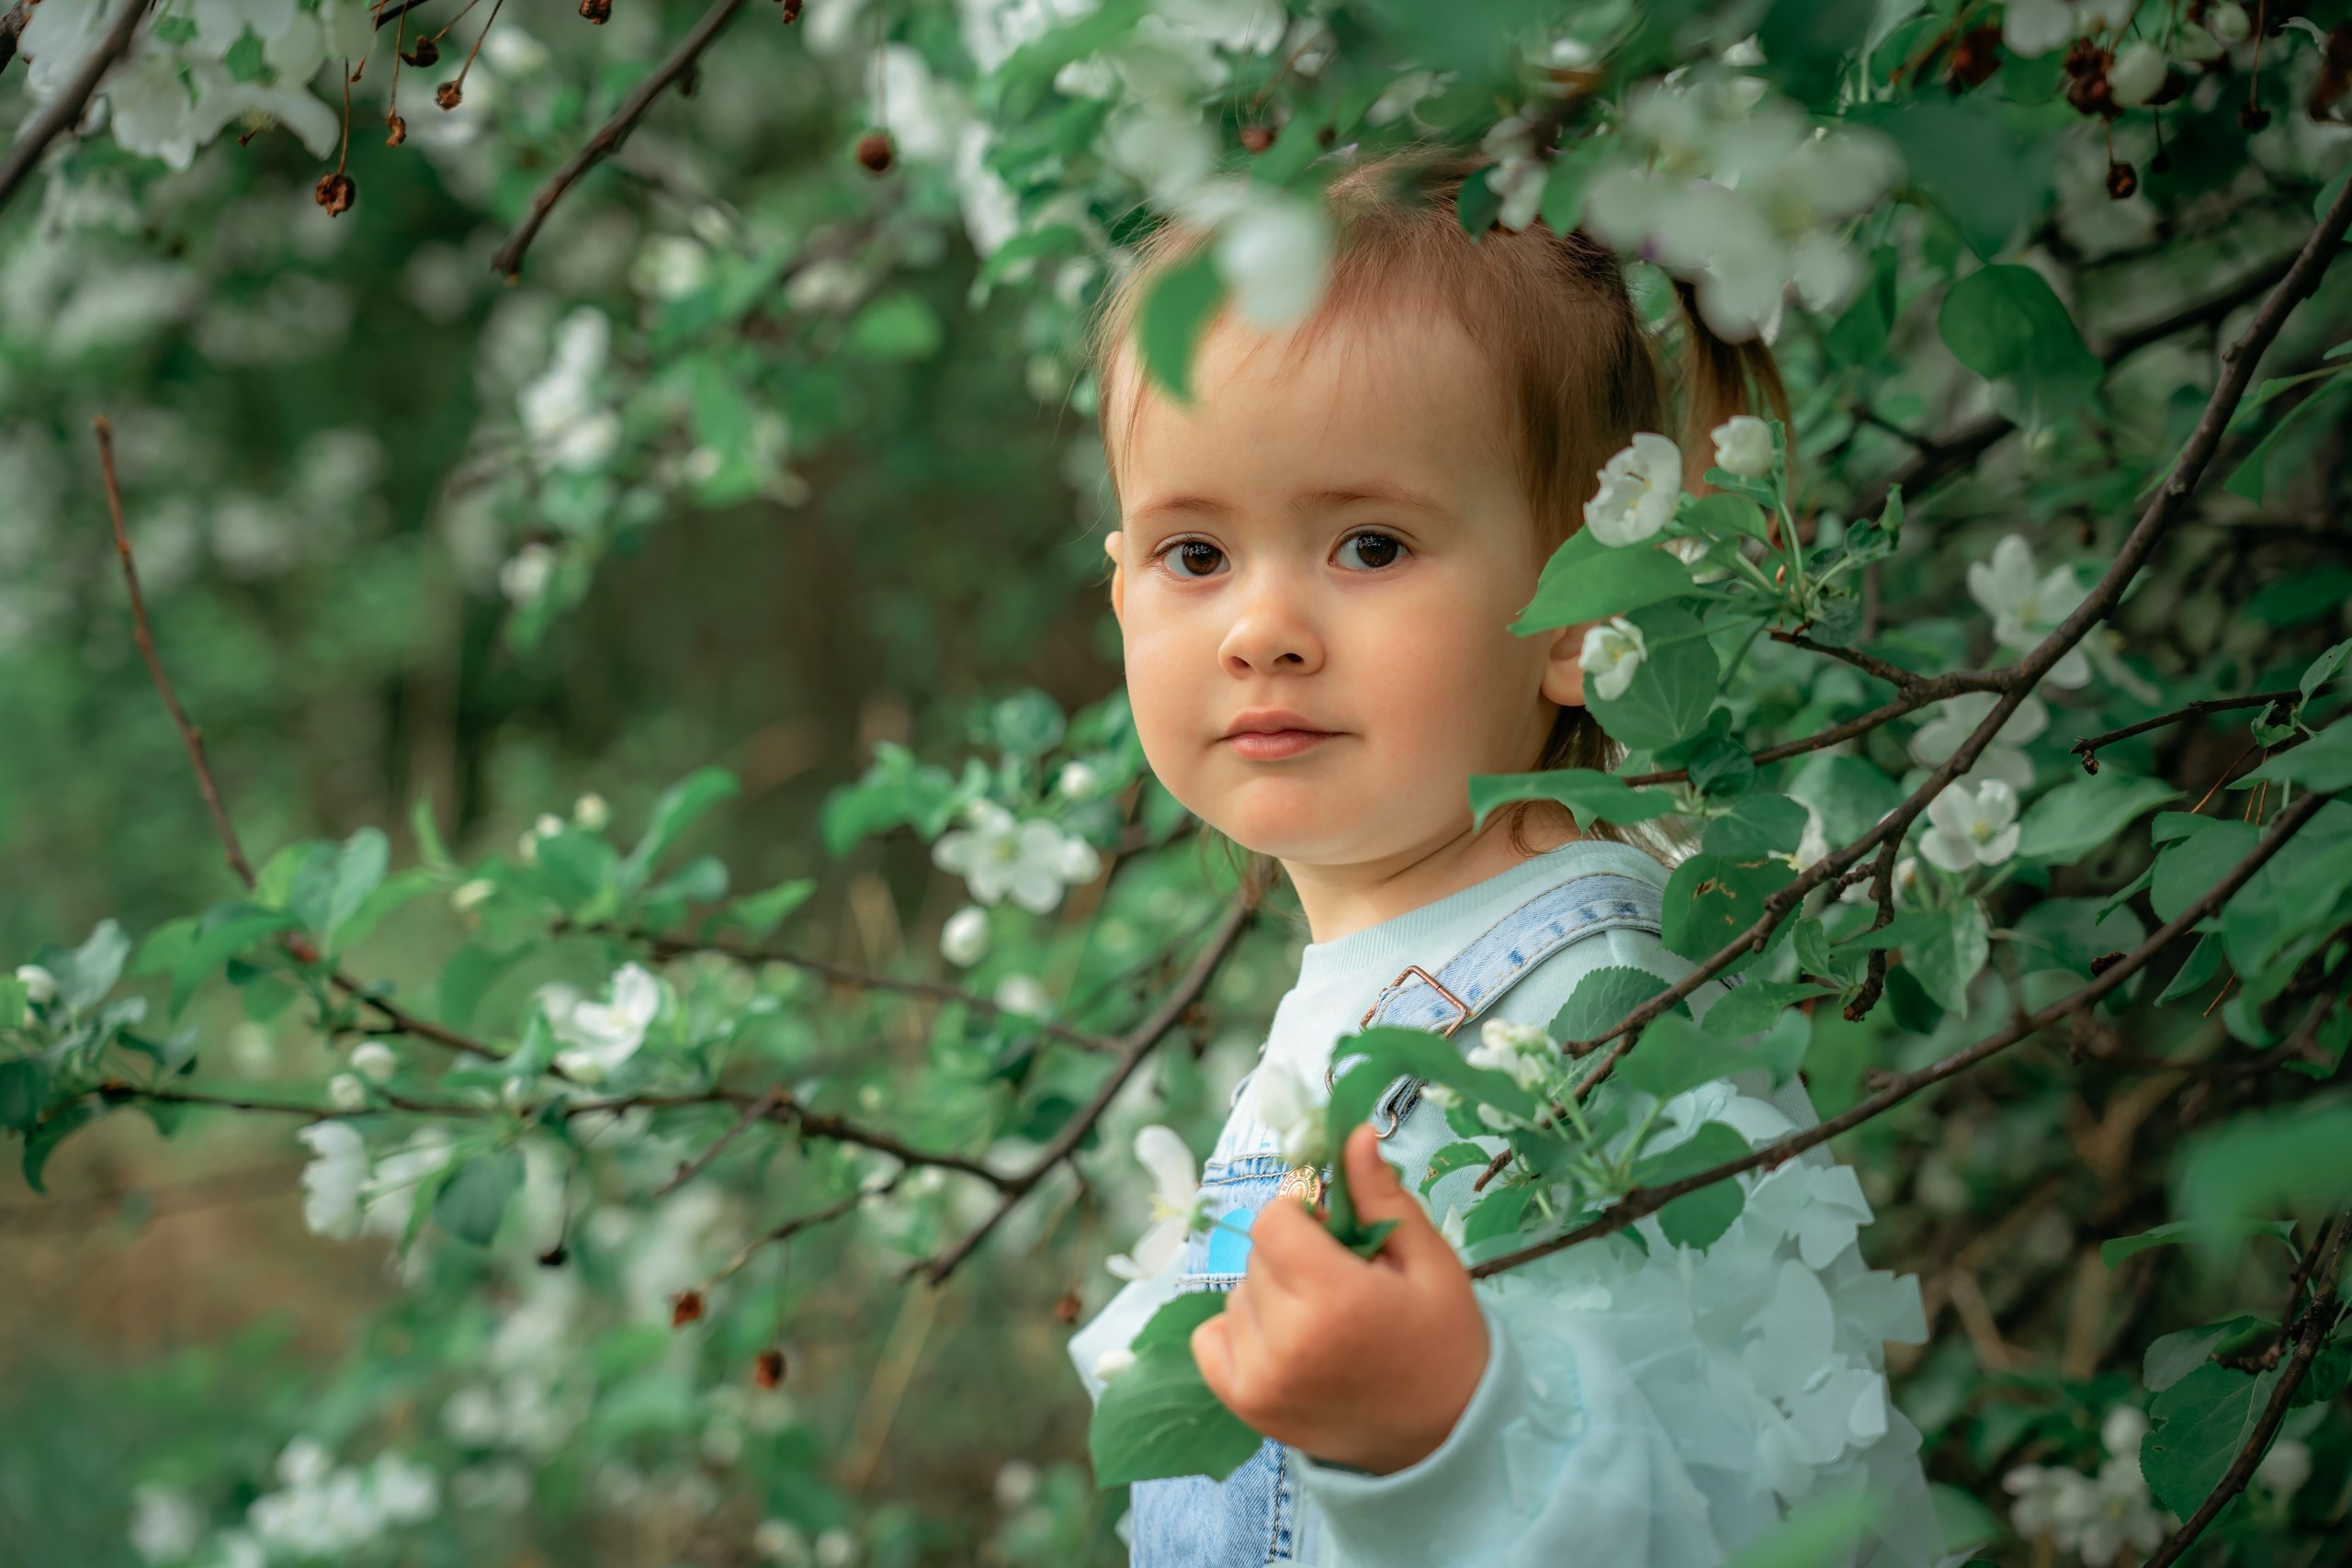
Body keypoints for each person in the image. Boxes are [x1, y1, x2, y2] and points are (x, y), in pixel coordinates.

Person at [1066, 152, 1949, 1568]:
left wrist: (1440, 1441)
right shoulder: (1401, 982)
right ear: (1119, 589)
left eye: (1368, 544)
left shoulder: (1583, 1009)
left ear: (1573, 612)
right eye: (1193, 555)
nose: (1261, 629)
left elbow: (1714, 1518)